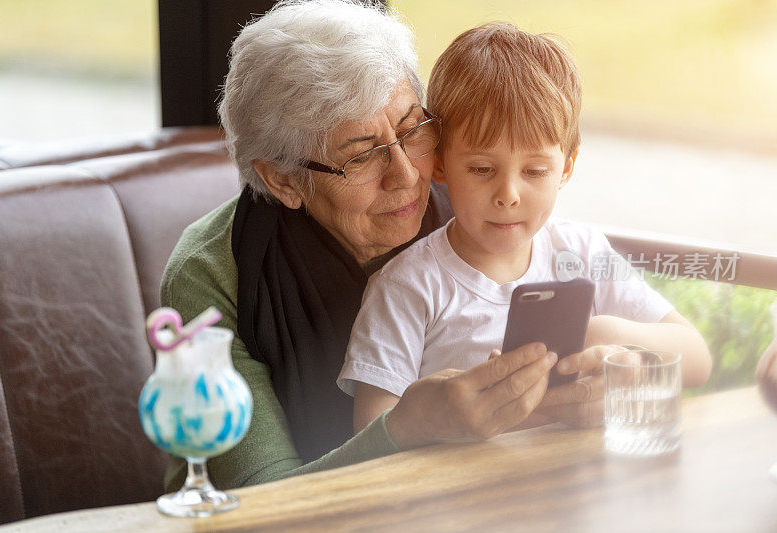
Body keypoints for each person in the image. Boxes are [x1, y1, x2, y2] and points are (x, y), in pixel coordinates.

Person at [163, 0, 589, 490]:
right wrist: (406, 427)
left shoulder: (477, 213)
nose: (409, 177)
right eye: (362, 156)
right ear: (283, 179)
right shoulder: (210, 274)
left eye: (413, 130)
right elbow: (266, 494)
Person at [338, 23, 713, 433]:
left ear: (565, 168)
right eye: (482, 169)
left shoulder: (581, 252)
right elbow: (369, 438)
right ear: (440, 163)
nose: (509, 195)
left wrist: (618, 343)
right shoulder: (407, 287)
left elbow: (697, 358)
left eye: (535, 171)